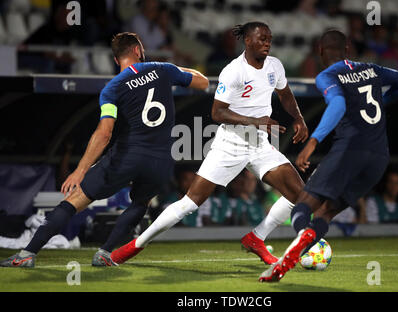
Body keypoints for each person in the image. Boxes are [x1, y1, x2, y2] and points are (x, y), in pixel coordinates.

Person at [0, 32, 209, 268]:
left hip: (127, 156)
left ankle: (27, 254)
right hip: (160, 161)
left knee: (75, 200)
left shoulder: (112, 88)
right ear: (138, 51)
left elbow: (104, 133)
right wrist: (168, 68)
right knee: (141, 204)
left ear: (115, 59)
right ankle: (105, 253)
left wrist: (80, 170)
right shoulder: (163, 69)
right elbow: (202, 81)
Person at [110, 22, 310, 266]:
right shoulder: (233, 71)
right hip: (231, 143)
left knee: (299, 194)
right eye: (262, 38)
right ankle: (136, 245)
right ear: (247, 41)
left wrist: (298, 118)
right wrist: (255, 120)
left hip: (259, 143)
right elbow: (217, 113)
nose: (267, 42)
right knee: (189, 203)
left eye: (269, 38)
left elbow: (286, 93)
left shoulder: (275, 66)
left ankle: (256, 238)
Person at [259, 29, 398, 282]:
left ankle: (300, 247)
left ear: (320, 51)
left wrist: (312, 142)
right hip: (379, 157)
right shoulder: (372, 69)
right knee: (325, 213)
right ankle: (309, 240)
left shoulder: (328, 75)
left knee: (303, 206)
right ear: (347, 50)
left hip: (349, 150)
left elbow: (339, 105)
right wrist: (382, 101)